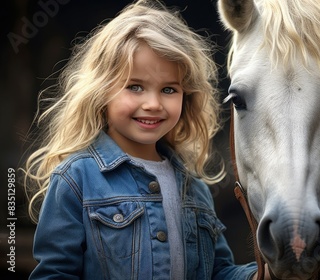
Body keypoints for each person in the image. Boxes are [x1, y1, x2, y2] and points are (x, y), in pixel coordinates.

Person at [22, 0, 268, 279]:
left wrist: (261, 275)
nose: (153, 103)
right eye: (135, 86)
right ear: (102, 91)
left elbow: (217, 272)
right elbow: (55, 273)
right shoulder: (76, 179)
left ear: (186, 95)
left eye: (168, 89)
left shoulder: (194, 189)